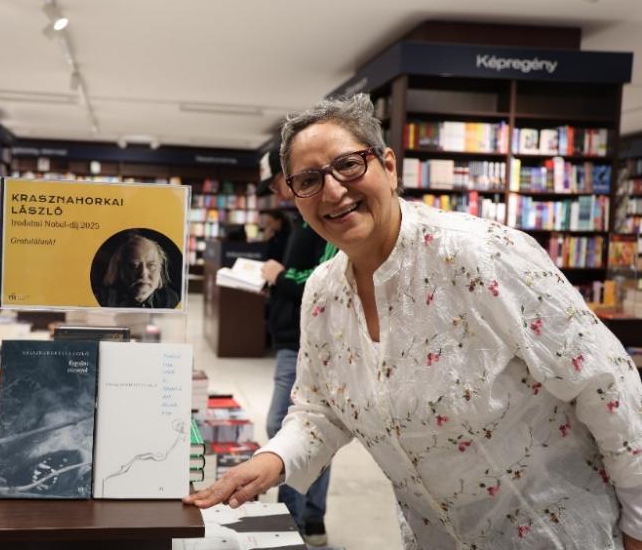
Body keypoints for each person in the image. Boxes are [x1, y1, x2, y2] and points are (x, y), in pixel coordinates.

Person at [185, 94, 642, 550]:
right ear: (293, 196)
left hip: (555, 535)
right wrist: (270, 461)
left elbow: (608, 385)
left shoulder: (483, 255)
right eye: (308, 180)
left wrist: (638, 526)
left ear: (388, 167)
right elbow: (319, 409)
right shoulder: (323, 292)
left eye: (348, 165)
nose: (333, 191)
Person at [258, 150, 331, 546]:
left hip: (306, 343)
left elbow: (321, 282)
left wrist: (280, 276)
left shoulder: (324, 220)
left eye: (276, 184)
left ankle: (294, 521)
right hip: (292, 337)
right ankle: (308, 517)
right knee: (308, 431)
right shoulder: (301, 221)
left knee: (288, 428)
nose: (278, 192)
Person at [97, 231, 180, 308]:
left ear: (160, 268)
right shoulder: (103, 301)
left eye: (151, 265)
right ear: (119, 269)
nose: (143, 273)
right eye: (134, 266)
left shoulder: (170, 299)